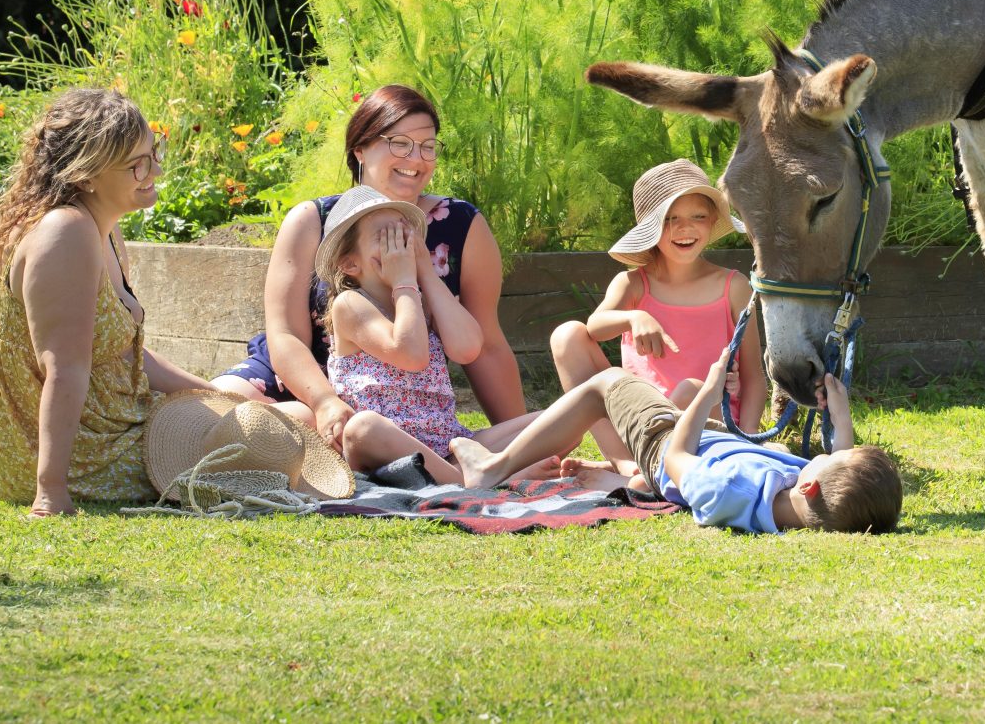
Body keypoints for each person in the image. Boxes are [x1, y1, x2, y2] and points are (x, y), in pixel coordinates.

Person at [208, 85, 527, 454]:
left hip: (390, 394)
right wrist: (325, 401)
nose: (417, 158)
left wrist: (520, 441)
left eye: (428, 146)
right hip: (304, 377)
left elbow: (485, 344)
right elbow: (286, 335)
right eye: (400, 143)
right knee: (218, 409)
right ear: (360, 149)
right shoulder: (314, 220)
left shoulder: (460, 224)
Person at [0, 89, 214, 516]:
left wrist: (212, 393)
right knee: (266, 440)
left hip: (107, 424)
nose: (155, 169)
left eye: (153, 151)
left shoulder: (103, 228)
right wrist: (50, 491)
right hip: (80, 453)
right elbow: (63, 370)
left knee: (246, 406)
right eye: (137, 163)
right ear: (87, 174)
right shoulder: (66, 233)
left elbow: (121, 353)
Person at [450, 349, 903, 534]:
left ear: (813, 487)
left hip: (665, 446)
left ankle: (493, 468)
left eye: (826, 459)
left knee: (605, 384)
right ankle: (623, 474)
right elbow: (840, 459)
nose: (823, 454)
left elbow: (677, 458)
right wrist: (838, 409)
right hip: (712, 443)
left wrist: (705, 398)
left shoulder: (731, 490)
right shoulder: (793, 500)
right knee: (681, 390)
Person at [306, 186, 553, 482]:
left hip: (445, 442)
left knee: (551, 422)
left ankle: (477, 472)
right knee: (363, 427)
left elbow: (467, 349)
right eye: (384, 237)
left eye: (403, 235)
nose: (397, 246)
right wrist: (405, 282)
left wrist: (425, 272)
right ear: (349, 263)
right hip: (385, 446)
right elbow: (411, 354)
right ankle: (473, 480)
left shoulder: (420, 300)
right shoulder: (350, 304)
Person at [548, 158, 765, 484]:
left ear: (713, 221)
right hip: (640, 424)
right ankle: (627, 466)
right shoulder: (633, 284)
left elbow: (755, 378)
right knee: (568, 336)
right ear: (651, 226)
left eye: (698, 217)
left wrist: (748, 440)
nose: (685, 227)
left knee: (691, 390)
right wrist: (634, 316)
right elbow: (595, 327)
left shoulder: (734, 287)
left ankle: (648, 472)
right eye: (670, 218)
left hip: (707, 424)